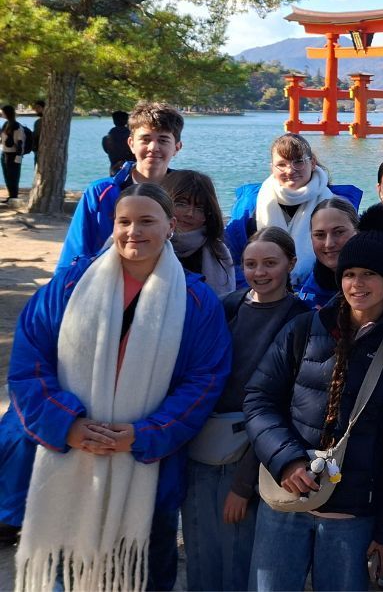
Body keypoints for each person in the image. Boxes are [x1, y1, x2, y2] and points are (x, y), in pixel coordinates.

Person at [8, 183, 231, 591]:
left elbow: (204, 381)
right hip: (71, 460)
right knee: (65, 573)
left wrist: (145, 434)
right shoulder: (69, 285)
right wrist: (66, 424)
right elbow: (29, 365)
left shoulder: (197, 301)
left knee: (144, 573)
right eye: (123, 221)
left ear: (170, 226)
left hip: (150, 468)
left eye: (146, 221)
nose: (133, 232)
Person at [244, 204, 383, 592]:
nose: (358, 284)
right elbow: (259, 398)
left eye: (369, 274)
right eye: (350, 274)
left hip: (353, 511)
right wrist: (287, 460)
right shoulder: (304, 328)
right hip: (288, 492)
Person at [182, 227, 310, 591]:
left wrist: (243, 484)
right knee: (200, 553)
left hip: (252, 454)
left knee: (238, 556)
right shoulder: (228, 306)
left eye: (270, 263)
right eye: (250, 264)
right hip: (204, 445)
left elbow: (284, 407)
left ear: (291, 264)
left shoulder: (301, 318)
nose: (260, 272)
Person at [225, 133, 362, 290]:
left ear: (312, 163)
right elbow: (234, 256)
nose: (290, 170)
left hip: (319, 292)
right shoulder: (250, 204)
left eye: (298, 162)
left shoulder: (336, 202)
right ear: (272, 168)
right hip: (261, 291)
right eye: (281, 164)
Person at [297, 197, 383, 348]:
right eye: (319, 235)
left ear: (357, 231)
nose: (329, 243)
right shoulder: (312, 283)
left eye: (339, 232)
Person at [58, 100, 184, 268]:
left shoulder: (188, 195)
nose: (153, 147)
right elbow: (74, 253)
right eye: (145, 139)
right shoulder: (100, 193)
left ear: (177, 147)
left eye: (163, 140)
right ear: (131, 144)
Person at [163, 169, 236, 297]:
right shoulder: (149, 245)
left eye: (200, 208)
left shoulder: (218, 251)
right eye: (181, 204)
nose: (190, 213)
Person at [1, 104, 26, 202]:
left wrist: (18, 157)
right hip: (5, 153)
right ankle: (11, 196)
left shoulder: (16, 126)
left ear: (7, 113)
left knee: (13, 176)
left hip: (13, 154)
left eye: (2, 112)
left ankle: (14, 196)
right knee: (7, 176)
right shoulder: (5, 124)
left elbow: (20, 142)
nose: (1, 114)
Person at [102, 110, 135, 176]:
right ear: (127, 120)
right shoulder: (133, 137)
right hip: (133, 170)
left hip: (114, 171)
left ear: (114, 121)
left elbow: (107, 151)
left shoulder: (106, 139)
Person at [31, 100, 44, 169]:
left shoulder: (39, 122)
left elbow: (36, 136)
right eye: (35, 108)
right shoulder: (38, 121)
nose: (36, 109)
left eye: (38, 107)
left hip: (40, 152)